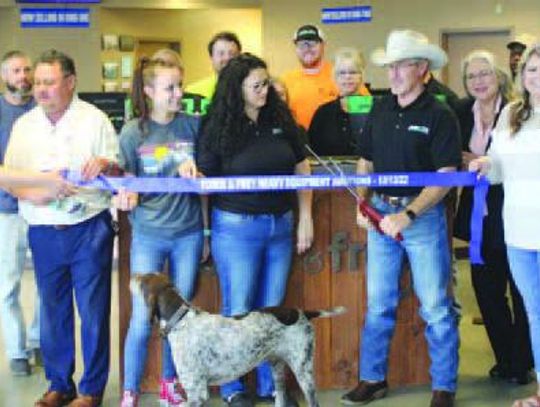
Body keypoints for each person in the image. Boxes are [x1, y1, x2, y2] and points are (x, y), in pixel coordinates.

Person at [341, 30, 461, 407]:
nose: (392, 74)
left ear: (422, 68)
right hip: (380, 214)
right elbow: (367, 161)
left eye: (400, 65)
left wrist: (408, 215)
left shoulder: (440, 114)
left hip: (421, 220)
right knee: (378, 303)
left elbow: (445, 175)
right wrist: (362, 202)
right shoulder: (380, 108)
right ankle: (372, 379)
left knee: (436, 308)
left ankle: (444, 387)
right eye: (389, 66)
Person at [196, 53, 313, 407]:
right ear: (237, 90)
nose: (264, 90)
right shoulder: (216, 126)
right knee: (239, 308)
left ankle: (270, 386)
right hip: (235, 228)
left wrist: (305, 216)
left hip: (280, 225)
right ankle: (233, 388)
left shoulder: (279, 117)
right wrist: (205, 232)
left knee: (271, 312)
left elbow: (302, 166)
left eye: (266, 83)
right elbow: (205, 183)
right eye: (256, 86)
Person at [4, 49, 119, 407]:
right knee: (52, 312)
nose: (40, 89)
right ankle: (59, 385)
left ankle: (90, 391)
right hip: (43, 231)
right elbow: (8, 178)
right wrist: (33, 195)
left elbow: (118, 174)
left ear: (69, 83)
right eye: (37, 82)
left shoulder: (95, 120)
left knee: (94, 313)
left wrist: (105, 164)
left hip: (89, 228)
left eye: (49, 82)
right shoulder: (25, 126)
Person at [116, 58, 207, 407]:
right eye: (170, 88)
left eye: (180, 85)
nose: (178, 93)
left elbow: (207, 181)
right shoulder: (132, 132)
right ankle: (130, 391)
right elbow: (121, 181)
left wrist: (207, 232)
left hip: (188, 234)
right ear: (150, 91)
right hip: (149, 236)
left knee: (178, 318)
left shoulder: (192, 126)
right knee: (142, 317)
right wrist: (124, 192)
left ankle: (170, 384)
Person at [453, 50, 533, 384]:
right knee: (486, 291)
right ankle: (505, 358)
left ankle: (522, 362)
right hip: (478, 212)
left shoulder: (516, 110)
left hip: (514, 208)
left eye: (484, 74)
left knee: (521, 290)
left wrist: (484, 159)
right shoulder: (459, 112)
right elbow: (449, 151)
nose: (479, 81)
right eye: (472, 76)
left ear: (498, 75)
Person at [469, 44, 540, 407]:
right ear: (521, 75)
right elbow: (497, 165)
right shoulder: (512, 113)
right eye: (531, 70)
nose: (536, 77)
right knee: (534, 311)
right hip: (517, 231)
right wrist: (483, 164)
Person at [0, 50, 41, 376]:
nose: (23, 75)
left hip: (42, 208)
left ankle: (39, 341)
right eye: (16, 70)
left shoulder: (42, 111)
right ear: (4, 76)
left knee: (46, 282)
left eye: (27, 69)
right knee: (8, 286)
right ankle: (16, 351)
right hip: (6, 211)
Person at [308, 47, 370, 156]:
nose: (348, 77)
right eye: (342, 73)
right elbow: (313, 151)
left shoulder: (374, 109)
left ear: (361, 76)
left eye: (353, 72)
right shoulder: (323, 113)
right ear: (334, 77)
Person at [281, 24, 339, 130]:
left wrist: (344, 104)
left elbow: (365, 106)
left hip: (334, 143)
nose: (307, 49)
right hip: (300, 142)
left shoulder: (341, 74)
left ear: (323, 46)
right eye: (302, 45)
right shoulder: (286, 81)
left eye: (312, 44)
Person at [185, 31, 242, 99]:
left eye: (232, 54)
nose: (227, 58)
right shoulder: (193, 92)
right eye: (221, 53)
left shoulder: (252, 91)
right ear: (212, 58)